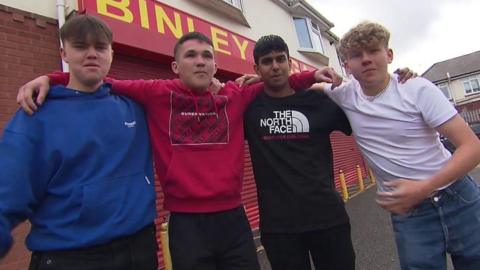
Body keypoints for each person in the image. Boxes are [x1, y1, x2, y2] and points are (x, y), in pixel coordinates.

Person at [18, 31, 336, 270]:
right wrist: (51, 78)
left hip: (234, 221)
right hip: (185, 225)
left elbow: (274, 80)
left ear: (215, 65)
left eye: (207, 56)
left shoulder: (236, 95)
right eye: (191, 55)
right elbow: (100, 80)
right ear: (175, 65)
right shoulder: (156, 93)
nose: (200, 61)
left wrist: (308, 75)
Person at [0, 15, 158, 270]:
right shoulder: (36, 115)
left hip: (139, 249)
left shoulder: (134, 106)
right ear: (64, 52)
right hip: (70, 256)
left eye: (100, 47)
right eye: (81, 47)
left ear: (112, 54)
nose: (92, 54)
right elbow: (7, 192)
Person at [323, 21, 480, 270]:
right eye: (356, 55)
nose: (365, 60)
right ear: (346, 65)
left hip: (458, 198)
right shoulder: (344, 94)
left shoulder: (416, 88)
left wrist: (423, 187)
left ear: (389, 55)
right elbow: (289, 85)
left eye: (373, 50)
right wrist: (262, 78)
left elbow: (472, 147)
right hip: (411, 214)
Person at [243, 35, 355, 270]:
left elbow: (366, 111)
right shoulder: (249, 109)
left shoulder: (319, 100)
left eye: (280, 59)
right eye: (267, 61)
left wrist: (396, 80)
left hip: (328, 217)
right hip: (279, 228)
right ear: (257, 68)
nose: (275, 66)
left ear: (289, 62)